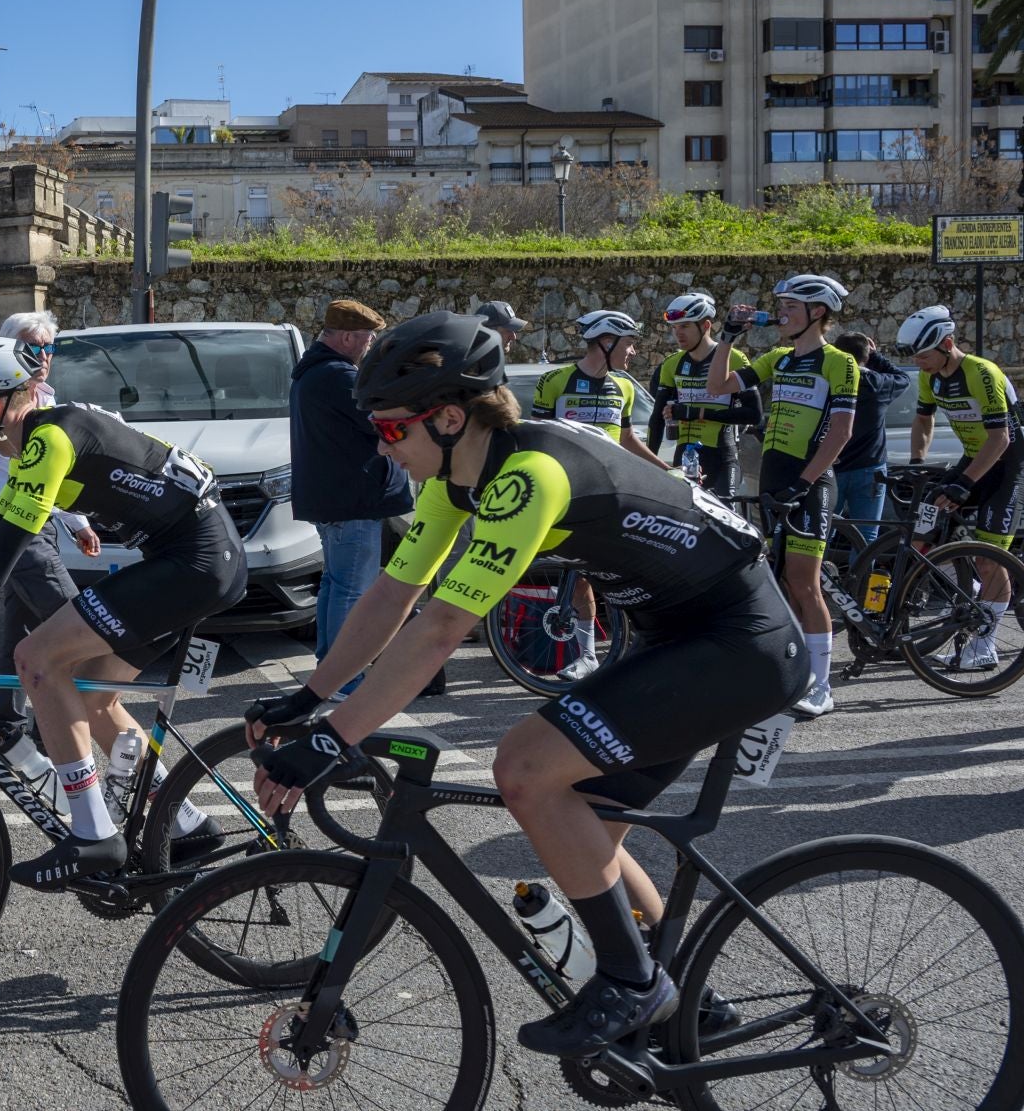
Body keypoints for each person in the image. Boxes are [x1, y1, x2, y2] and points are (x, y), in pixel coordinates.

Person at [248, 311, 805, 1057]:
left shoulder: (528, 477)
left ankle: (634, 985)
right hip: (683, 635)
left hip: (740, 641)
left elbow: (441, 628)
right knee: (582, 831)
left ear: (448, 417)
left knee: (525, 767)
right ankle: (688, 1007)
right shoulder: (459, 477)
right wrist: (314, 696)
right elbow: (392, 594)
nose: (385, 449)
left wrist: (332, 737)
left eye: (390, 432)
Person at [0, 337, 245, 889]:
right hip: (192, 559)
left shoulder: (48, 440)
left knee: (35, 658)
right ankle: (185, 822)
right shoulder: (40, 438)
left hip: (193, 564)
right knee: (84, 695)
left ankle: (92, 835)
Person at [707, 274, 857, 719]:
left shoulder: (837, 362)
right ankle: (794, 675)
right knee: (782, 583)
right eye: (782, 305)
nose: (782, 313)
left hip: (808, 483)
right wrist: (728, 339)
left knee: (805, 584)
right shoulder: (780, 358)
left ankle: (823, 685)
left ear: (818, 313)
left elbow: (842, 431)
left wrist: (806, 483)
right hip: (775, 479)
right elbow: (718, 387)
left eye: (791, 306)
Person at [0, 311, 100, 748]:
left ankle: (9, 730)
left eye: (48, 348)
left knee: (19, 634)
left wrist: (78, 523)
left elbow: (50, 478)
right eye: (32, 347)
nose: (42, 356)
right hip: (15, 537)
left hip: (43, 530)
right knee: (81, 629)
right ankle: (56, 726)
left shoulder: (47, 402)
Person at [289, 299, 428, 697]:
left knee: (336, 584)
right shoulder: (337, 375)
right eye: (368, 337)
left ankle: (328, 667)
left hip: (334, 498)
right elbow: (379, 420)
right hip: (352, 500)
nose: (370, 344)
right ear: (348, 336)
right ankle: (341, 676)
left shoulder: (314, 372)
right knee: (352, 588)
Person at [530, 309, 665, 679]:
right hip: (571, 493)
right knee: (580, 572)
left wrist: (666, 472)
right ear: (606, 342)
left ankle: (650, 644)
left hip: (614, 492)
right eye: (628, 343)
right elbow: (540, 439)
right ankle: (587, 655)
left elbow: (627, 439)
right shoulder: (555, 381)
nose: (634, 351)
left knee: (633, 570)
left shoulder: (622, 385)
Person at [899, 305, 1021, 671]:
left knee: (987, 555)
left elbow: (1000, 439)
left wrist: (965, 483)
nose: (919, 362)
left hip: (1008, 463)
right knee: (930, 526)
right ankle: (969, 600)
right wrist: (917, 464)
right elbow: (923, 419)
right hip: (974, 457)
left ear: (948, 343)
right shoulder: (931, 376)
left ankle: (985, 647)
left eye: (924, 355)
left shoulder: (982, 372)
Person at [645, 292, 761, 499]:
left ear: (706, 326)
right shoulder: (672, 364)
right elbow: (656, 420)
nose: (678, 333)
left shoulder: (733, 358)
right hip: (684, 457)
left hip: (722, 456)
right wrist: (649, 463)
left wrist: (698, 412)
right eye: (675, 327)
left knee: (726, 518)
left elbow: (754, 415)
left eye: (685, 326)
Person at [830, 332, 910, 545]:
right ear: (865, 356)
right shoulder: (878, 383)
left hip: (831, 466)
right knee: (867, 536)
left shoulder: (829, 381)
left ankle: (817, 577)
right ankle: (862, 578)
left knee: (822, 531)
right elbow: (903, 378)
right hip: (869, 468)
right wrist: (876, 357)